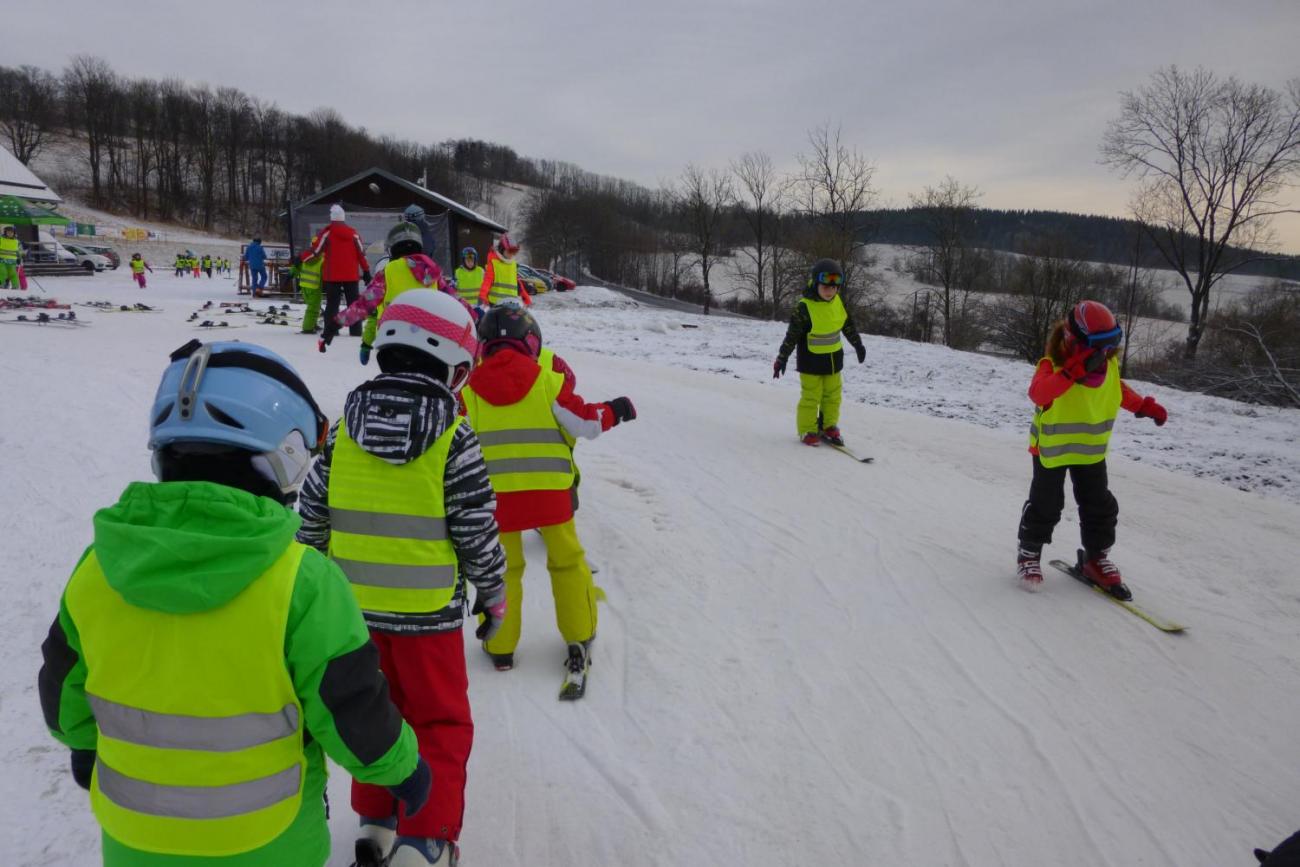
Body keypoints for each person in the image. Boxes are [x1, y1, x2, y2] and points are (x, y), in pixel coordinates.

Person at [36, 339, 431, 867]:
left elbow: (64, 695)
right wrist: (403, 770)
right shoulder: (302, 582)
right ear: (282, 457)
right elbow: (353, 710)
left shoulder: (99, 569)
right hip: (271, 841)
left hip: (134, 839)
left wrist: (85, 745)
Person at [297, 290, 506, 867]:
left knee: (372, 714)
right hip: (429, 619)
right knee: (438, 722)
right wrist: (494, 594)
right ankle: (428, 837)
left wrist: (306, 590)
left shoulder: (341, 432)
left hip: (350, 617)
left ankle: (375, 825)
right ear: (455, 368)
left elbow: (311, 517)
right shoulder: (454, 436)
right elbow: (476, 531)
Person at [460, 306, 635, 692]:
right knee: (568, 563)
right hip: (551, 501)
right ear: (531, 342)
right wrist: (616, 411)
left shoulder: (468, 391)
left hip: (494, 504)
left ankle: (500, 645)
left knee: (503, 570)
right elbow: (586, 422)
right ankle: (579, 633)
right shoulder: (548, 381)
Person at [1016, 300, 1169, 596]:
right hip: (1052, 449)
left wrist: (1144, 407)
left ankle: (1096, 559)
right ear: (1075, 339)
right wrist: (1071, 373)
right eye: (1099, 345)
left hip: (1090, 451)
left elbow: (1117, 389)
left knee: (1099, 505)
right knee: (1046, 504)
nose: (1105, 352)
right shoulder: (1053, 365)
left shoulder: (1106, 364)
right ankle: (1029, 553)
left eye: (1111, 344)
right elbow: (1038, 393)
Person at [771, 258, 867, 447]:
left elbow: (847, 325)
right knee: (811, 396)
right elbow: (791, 336)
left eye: (833, 288)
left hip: (833, 361)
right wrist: (782, 359)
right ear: (816, 284)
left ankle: (828, 425)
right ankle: (807, 429)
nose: (830, 291)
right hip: (810, 362)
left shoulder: (837, 302)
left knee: (833, 395)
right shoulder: (804, 307)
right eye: (825, 287)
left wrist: (858, 345)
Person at [332, 221, 455, 366]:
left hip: (394, 341)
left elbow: (363, 305)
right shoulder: (434, 273)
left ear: (393, 249)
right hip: (429, 343)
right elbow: (456, 303)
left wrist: (334, 325)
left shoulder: (387, 272)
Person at [306, 204, 372, 351]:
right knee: (353, 304)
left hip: (332, 276)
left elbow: (315, 251)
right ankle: (355, 331)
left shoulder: (327, 233)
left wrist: (300, 258)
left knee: (332, 304)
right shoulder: (353, 233)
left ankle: (332, 330)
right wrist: (366, 271)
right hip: (351, 275)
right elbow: (361, 254)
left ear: (332, 218)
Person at [476, 233, 531, 308]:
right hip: (496, 303)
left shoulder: (513, 264)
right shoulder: (494, 263)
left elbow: (517, 283)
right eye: (509, 251)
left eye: (514, 252)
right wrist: (482, 296)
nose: (511, 254)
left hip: (512, 303)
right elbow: (487, 281)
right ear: (502, 249)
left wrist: (525, 297)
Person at [294, 235, 325, 335]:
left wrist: (291, 274)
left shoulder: (305, 256)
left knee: (312, 307)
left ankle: (312, 324)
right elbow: (325, 273)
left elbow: (296, 266)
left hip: (303, 285)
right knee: (313, 309)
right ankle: (308, 328)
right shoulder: (322, 259)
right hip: (315, 286)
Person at [0, 225, 23, 290]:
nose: (10, 234)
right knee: (3, 273)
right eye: (8, 232)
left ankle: (15, 286)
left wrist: (19, 258)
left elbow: (19, 251)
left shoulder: (16, 241)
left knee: (13, 274)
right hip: (2, 260)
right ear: (5, 232)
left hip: (12, 261)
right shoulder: (1, 239)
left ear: (14, 233)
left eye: (11, 232)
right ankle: (2, 284)